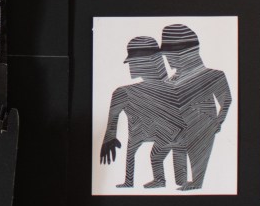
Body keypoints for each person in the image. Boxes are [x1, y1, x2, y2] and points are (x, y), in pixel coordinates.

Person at [99, 37, 183, 189]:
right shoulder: (126, 92)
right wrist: (110, 135)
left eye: (134, 62)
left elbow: (113, 121)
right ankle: (134, 181)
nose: (132, 66)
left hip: (159, 133)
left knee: (154, 154)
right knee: (154, 152)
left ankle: (158, 180)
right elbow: (113, 120)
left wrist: (110, 135)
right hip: (162, 133)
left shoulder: (124, 92)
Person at [159, 24, 231, 191]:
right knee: (179, 171)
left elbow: (226, 100)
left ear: (187, 52)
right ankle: (184, 181)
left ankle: (197, 182)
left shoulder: (213, 75)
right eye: (166, 53)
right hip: (176, 128)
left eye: (170, 53)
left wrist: (218, 121)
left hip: (202, 124)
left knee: (197, 160)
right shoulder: (169, 81)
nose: (167, 58)